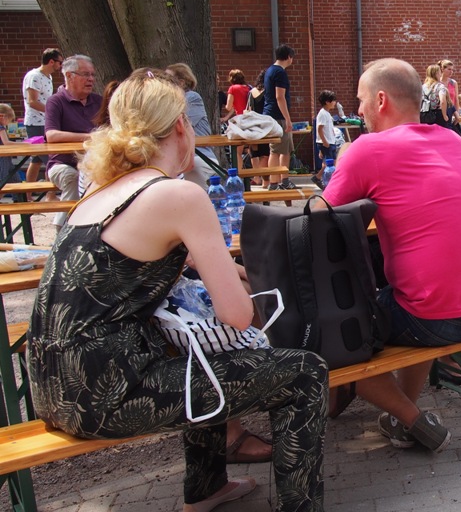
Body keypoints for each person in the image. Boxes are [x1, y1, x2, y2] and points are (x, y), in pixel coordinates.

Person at [28, 68, 328, 512]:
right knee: (304, 372)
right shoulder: (179, 195)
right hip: (104, 395)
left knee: (199, 354)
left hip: (52, 387)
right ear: (182, 126)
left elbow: (154, 273)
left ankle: (207, 489)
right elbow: (237, 316)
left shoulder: (101, 193)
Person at [322, 58, 461, 453]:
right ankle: (400, 421)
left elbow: (319, 223)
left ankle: (412, 418)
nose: (357, 110)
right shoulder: (451, 140)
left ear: (380, 100)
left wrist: (343, 162)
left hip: (439, 318)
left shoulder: (366, 149)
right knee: (409, 294)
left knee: (327, 335)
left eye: (360, 100)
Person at [44, 54, 103, 230]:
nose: (91, 79)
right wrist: (89, 137)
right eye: (85, 74)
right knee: (73, 177)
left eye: (92, 74)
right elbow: (51, 135)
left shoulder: (98, 101)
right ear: (69, 76)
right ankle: (63, 229)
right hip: (62, 163)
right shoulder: (56, 101)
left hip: (95, 163)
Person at [165, 63, 220, 189]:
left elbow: (172, 126)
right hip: (179, 162)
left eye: (168, 79)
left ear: (181, 82)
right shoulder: (169, 102)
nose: (164, 83)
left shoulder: (192, 97)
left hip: (199, 157)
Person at [21, 48, 62, 190]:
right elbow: (32, 101)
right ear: (51, 62)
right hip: (36, 123)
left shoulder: (48, 77)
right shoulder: (34, 76)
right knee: (51, 160)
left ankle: (29, 195)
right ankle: (50, 195)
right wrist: (53, 112)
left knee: (36, 160)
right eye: (59, 62)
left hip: (45, 121)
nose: (60, 66)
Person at [264, 45, 297, 191]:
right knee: (276, 150)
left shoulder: (270, 70)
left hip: (272, 114)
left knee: (285, 149)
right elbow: (280, 97)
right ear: (289, 57)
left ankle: (284, 180)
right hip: (278, 116)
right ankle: (274, 183)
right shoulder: (280, 72)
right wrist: (287, 119)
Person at [246, 69, 271, 186]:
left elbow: (249, 108)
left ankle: (256, 178)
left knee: (254, 152)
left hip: (253, 123)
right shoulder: (268, 92)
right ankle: (265, 181)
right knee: (264, 154)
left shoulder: (252, 92)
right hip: (264, 124)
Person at [312, 90, 340, 189]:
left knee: (333, 162)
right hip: (326, 143)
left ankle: (318, 177)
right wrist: (324, 142)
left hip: (331, 142)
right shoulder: (322, 113)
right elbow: (319, 129)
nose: (335, 103)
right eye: (333, 101)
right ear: (327, 102)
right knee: (329, 164)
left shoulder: (327, 113)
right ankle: (327, 181)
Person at [439, 59, 458, 128]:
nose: (451, 72)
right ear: (442, 69)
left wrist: (457, 113)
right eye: (449, 69)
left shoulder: (453, 83)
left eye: (452, 70)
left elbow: (456, 99)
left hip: (451, 111)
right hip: (440, 112)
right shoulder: (438, 83)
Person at [0, 104, 16, 185]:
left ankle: (18, 193)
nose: (8, 123)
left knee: (14, 178)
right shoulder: (1, 128)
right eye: (9, 120)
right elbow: (6, 143)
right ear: (3, 117)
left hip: (6, 157)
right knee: (4, 179)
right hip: (3, 156)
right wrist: (25, 144)